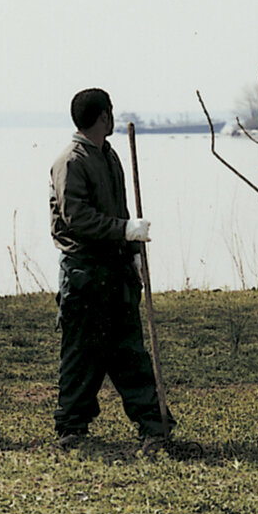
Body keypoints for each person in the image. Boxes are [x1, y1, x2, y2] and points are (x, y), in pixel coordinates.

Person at [49, 87, 172, 450]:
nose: (113, 117)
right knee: (82, 355)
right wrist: (124, 230)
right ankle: (71, 429)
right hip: (85, 274)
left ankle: (155, 426)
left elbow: (118, 208)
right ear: (103, 116)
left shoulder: (109, 156)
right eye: (111, 112)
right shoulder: (71, 161)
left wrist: (132, 251)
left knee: (130, 352)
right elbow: (76, 218)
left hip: (116, 271)